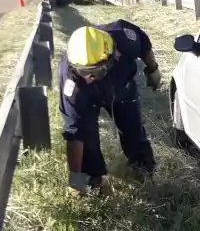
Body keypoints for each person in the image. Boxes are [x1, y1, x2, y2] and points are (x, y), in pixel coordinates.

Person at [59, 21, 162, 195]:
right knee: (87, 137)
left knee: (133, 130)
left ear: (113, 55)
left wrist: (152, 69)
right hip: (88, 97)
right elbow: (75, 133)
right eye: (85, 72)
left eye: (96, 71)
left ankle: (144, 172)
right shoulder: (72, 84)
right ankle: (93, 183)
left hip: (122, 87)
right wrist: (74, 180)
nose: (91, 77)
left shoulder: (124, 37)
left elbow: (144, 45)